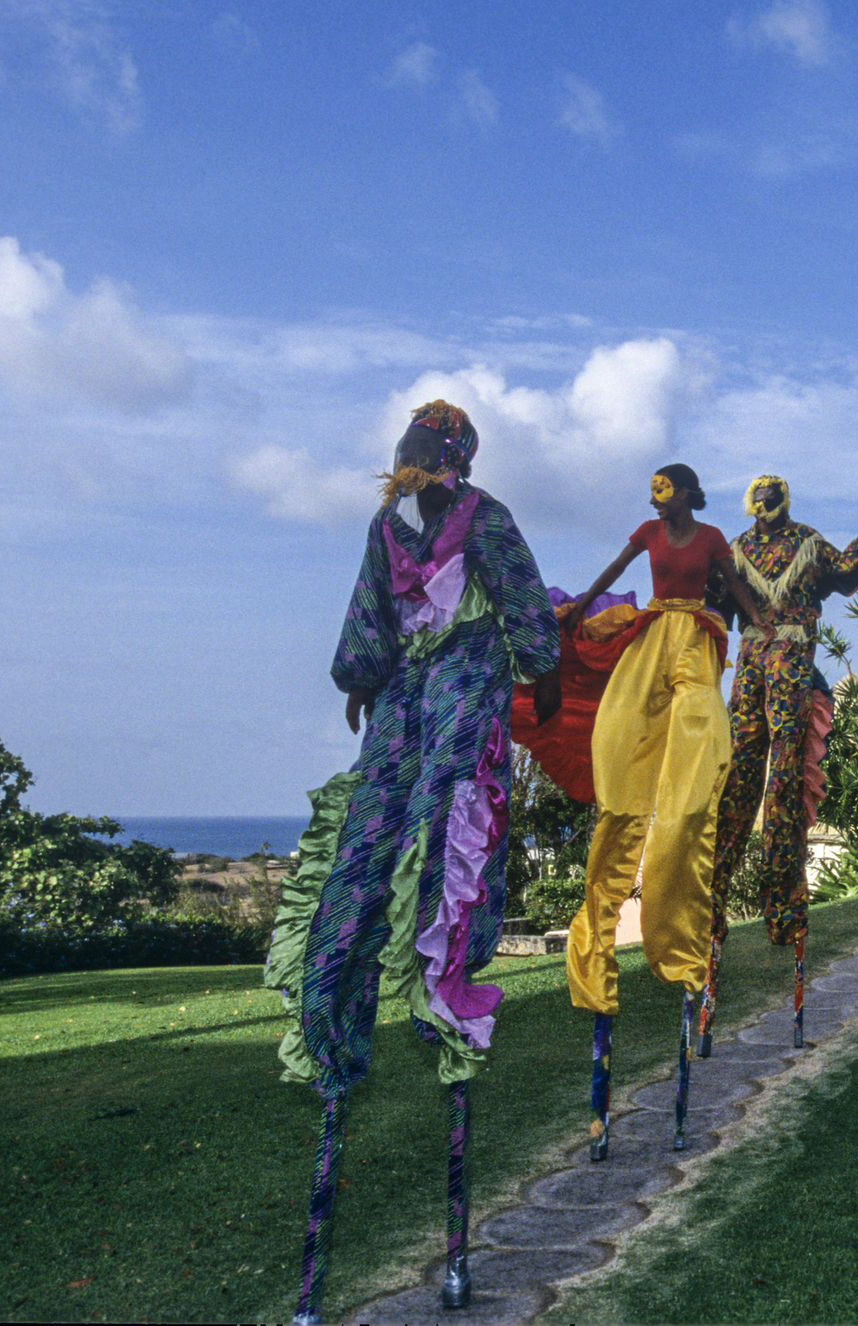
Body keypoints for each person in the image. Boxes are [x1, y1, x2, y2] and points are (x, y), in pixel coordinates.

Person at [265, 399, 561, 1320]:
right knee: (361, 860)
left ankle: (445, 993)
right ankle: (336, 1008)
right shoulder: (384, 526)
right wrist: (361, 681)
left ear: (456, 462)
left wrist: (540, 674)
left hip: (468, 684)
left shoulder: (489, 520)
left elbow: (522, 602)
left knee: (447, 844)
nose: (412, 460)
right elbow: (367, 621)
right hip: (402, 699)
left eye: (429, 451)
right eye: (406, 449)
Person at [559, 463, 767, 1157]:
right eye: (654, 493)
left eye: (667, 490)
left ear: (687, 493)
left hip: (696, 646)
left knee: (693, 771)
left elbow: (737, 591)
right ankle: (603, 922)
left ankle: (679, 946)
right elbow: (608, 570)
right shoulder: (649, 531)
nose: (659, 501)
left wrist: (768, 628)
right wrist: (579, 608)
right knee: (618, 747)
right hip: (651, 640)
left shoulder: (710, 538)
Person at [702, 474, 858, 1051]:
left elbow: (845, 570)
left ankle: (778, 892)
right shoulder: (749, 548)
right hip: (764, 658)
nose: (764, 508)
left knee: (775, 770)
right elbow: (845, 570)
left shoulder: (769, 546)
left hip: (775, 657)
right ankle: (744, 891)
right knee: (748, 768)